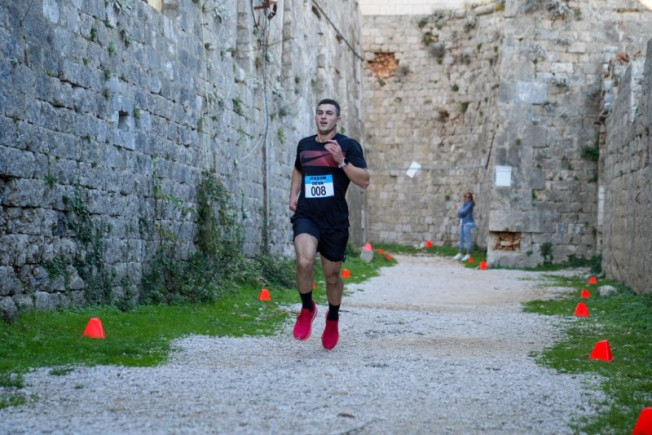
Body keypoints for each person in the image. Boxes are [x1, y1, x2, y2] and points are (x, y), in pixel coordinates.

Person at [288, 98, 370, 350]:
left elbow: (364, 180)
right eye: (320, 113)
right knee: (304, 260)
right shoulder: (305, 144)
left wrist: (341, 161)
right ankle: (307, 308)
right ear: (316, 117)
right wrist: (293, 194)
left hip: (334, 220)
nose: (324, 117)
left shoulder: (348, 145)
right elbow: (299, 168)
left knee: (332, 277)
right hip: (307, 215)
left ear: (338, 119)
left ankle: (332, 318)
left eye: (329, 113)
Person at [453, 192, 476, 261]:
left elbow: (463, 212)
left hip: (467, 223)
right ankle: (460, 253)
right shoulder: (463, 204)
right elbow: (459, 213)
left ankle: (468, 253)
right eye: (465, 196)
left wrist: (461, 213)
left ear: (471, 198)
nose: (467, 198)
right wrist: (461, 213)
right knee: (461, 239)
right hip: (462, 223)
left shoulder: (470, 204)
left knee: (467, 239)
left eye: (468, 197)